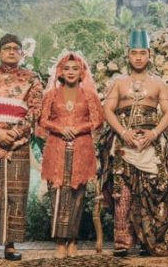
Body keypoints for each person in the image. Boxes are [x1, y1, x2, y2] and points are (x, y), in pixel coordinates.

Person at [99, 29, 168, 257]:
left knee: (152, 190)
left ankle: (147, 241)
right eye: (134, 53)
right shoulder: (119, 83)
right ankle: (123, 242)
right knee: (123, 192)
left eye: (143, 53)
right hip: (125, 144)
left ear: (149, 54)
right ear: (128, 55)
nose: (139, 57)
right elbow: (108, 110)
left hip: (152, 144)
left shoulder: (159, 84)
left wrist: (154, 135)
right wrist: (123, 132)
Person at [0, 34, 43, 262]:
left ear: (22, 53)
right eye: (7, 48)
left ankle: (10, 245)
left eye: (16, 48)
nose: (11, 52)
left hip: (18, 142)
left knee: (15, 193)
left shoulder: (32, 78)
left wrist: (14, 133)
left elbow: (35, 109)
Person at [36, 51, 104, 258]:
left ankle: (73, 240)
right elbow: (42, 120)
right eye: (67, 68)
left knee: (77, 195)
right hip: (56, 147)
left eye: (75, 68)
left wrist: (79, 128)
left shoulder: (89, 95)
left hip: (82, 147)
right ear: (60, 72)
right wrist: (59, 128)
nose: (71, 72)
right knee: (57, 193)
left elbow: (97, 120)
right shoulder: (51, 95)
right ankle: (59, 242)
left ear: (82, 71)